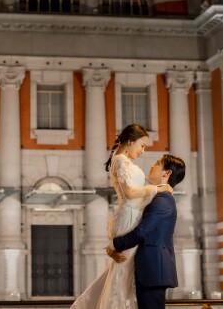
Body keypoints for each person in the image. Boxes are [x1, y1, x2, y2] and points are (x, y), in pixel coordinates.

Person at [71, 124, 172, 309]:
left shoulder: (128, 163)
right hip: (129, 217)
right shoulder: (119, 160)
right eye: (141, 146)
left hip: (134, 216)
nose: (143, 151)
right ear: (130, 141)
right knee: (123, 272)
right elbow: (130, 193)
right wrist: (158, 188)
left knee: (128, 272)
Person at [108, 154, 186, 309]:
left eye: (157, 163)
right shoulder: (159, 196)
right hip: (152, 270)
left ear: (167, 173)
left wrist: (114, 244)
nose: (152, 165)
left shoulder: (163, 200)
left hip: (154, 269)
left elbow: (141, 231)